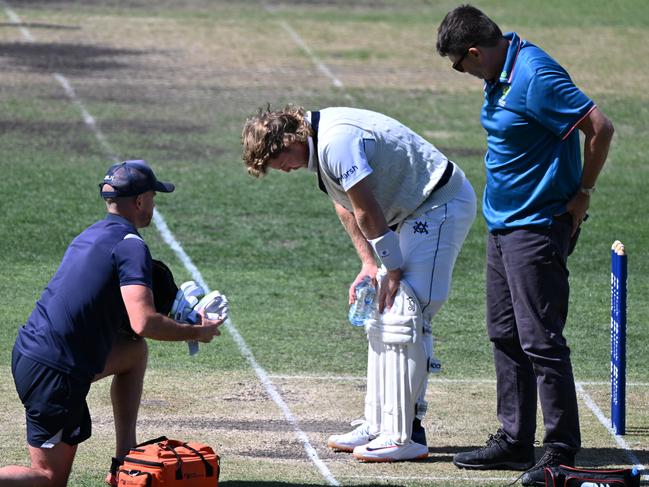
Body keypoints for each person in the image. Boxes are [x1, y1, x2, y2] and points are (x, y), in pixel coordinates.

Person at [436, 5, 614, 486]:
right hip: (504, 225)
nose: (461, 73)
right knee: (504, 333)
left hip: (537, 226)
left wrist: (583, 193)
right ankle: (516, 440)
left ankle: (560, 449)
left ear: (474, 52)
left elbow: (599, 127)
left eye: (459, 64)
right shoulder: (501, 72)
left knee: (541, 340)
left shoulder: (535, 75)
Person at [241, 105, 476, 462]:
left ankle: (405, 435)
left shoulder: (336, 142)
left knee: (406, 312)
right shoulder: (319, 144)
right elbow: (346, 205)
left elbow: (366, 210)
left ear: (289, 140)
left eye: (281, 162)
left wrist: (392, 267)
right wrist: (370, 263)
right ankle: (379, 423)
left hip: (438, 204)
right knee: (379, 311)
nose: (285, 170)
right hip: (412, 212)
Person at [0, 160, 225, 487]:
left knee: (134, 353)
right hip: (55, 370)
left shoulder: (91, 234)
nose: (154, 204)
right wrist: (197, 331)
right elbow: (143, 322)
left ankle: (125, 459)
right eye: (152, 196)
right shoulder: (131, 246)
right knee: (48, 479)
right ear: (139, 201)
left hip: (34, 354)